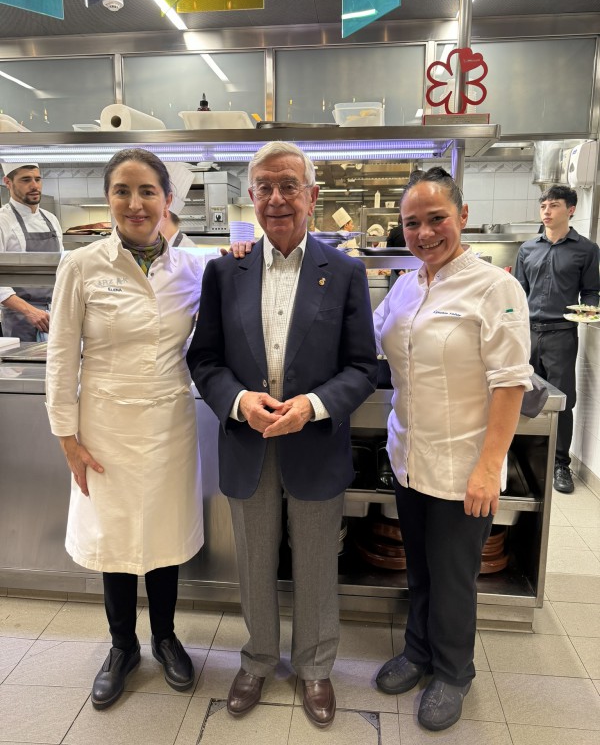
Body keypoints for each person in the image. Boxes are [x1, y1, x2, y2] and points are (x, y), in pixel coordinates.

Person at [186, 141, 378, 729]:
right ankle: (258, 659)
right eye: (265, 186)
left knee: (319, 559)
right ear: (251, 196)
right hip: (248, 442)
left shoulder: (343, 270)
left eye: (289, 185)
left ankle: (315, 667)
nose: (276, 198)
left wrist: (315, 406)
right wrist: (240, 401)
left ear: (312, 196)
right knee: (254, 559)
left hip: (314, 442)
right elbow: (205, 359)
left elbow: (362, 367)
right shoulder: (225, 270)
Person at [373, 167, 532, 732]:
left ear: (462, 217)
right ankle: (418, 652)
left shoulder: (495, 288)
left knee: (454, 574)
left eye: (436, 219)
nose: (424, 233)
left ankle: (452, 670)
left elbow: (511, 382)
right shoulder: (406, 284)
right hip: (409, 457)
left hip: (466, 464)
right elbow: (374, 340)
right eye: (411, 223)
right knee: (419, 567)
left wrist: (490, 467)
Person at [46, 148, 204, 710]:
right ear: (109, 198)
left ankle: (165, 637)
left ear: (166, 200)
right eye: (122, 191)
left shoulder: (193, 267)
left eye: (146, 192)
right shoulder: (83, 265)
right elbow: (62, 354)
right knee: (114, 541)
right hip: (104, 426)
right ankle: (121, 646)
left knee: (162, 539)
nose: (135, 204)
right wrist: (67, 435)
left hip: (169, 423)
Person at [515, 185, 600, 494]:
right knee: (519, 392)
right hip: (526, 333)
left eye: (554, 206)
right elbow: (517, 292)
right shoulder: (527, 249)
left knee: (562, 400)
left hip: (562, 333)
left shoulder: (587, 250)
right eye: (544, 206)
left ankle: (560, 465)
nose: (547, 211)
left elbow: (591, 292)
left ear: (571, 210)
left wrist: (590, 311)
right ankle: (519, 452)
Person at [0, 162, 63, 341]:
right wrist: (29, 311)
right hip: (19, 317)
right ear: (8, 182)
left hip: (54, 313)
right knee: (23, 368)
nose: (34, 186)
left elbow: (60, 268)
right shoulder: (2, 221)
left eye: (37, 179)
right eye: (26, 180)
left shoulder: (51, 219)